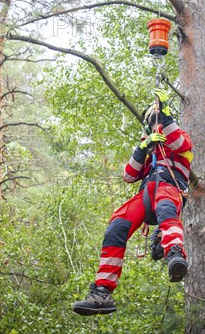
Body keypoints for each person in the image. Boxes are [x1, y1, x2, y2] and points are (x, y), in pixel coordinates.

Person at [72, 88, 193, 316]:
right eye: (152, 122)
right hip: (146, 196)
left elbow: (178, 143)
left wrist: (165, 115)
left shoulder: (182, 141)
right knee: (116, 226)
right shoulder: (149, 152)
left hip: (169, 190)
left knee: (166, 207)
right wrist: (143, 146)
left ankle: (175, 253)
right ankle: (102, 290)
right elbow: (128, 175)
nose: (156, 126)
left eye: (157, 122)